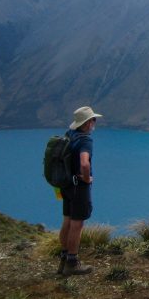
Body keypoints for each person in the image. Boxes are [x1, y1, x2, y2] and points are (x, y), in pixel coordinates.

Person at [58, 106, 102, 277]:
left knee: (67, 221)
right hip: (78, 187)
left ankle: (63, 259)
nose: (94, 123)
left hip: (66, 185)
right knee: (77, 224)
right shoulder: (85, 140)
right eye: (93, 120)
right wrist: (86, 178)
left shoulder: (70, 135)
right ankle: (72, 263)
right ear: (87, 123)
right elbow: (84, 163)